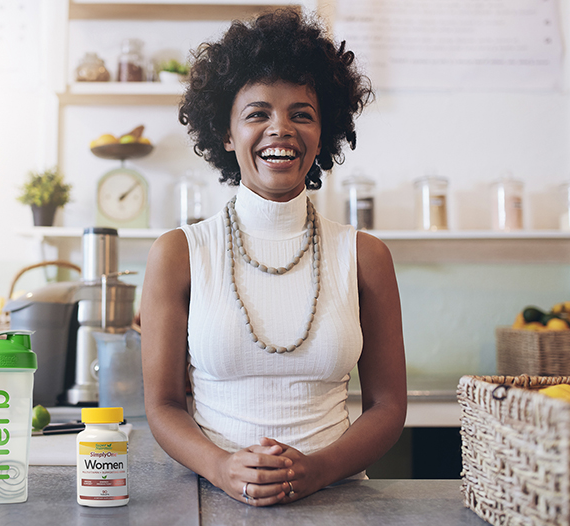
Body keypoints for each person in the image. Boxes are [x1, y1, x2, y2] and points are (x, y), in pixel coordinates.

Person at [139, 9, 407, 507]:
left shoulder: (365, 256)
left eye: (301, 114)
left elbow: (388, 407)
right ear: (226, 133)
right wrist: (221, 466)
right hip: (212, 500)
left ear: (324, 132)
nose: (280, 128)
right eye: (257, 113)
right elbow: (163, 405)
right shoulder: (180, 253)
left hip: (339, 500)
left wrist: (319, 469)